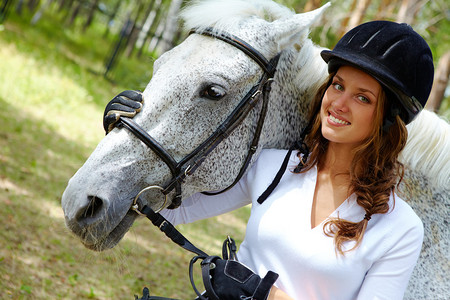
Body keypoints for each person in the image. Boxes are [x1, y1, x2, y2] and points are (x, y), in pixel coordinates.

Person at [103, 21, 434, 300]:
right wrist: (126, 136)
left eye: (362, 97)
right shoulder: (274, 166)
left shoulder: (399, 228)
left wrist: (268, 295)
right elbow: (171, 209)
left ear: (389, 121)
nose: (339, 103)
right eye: (337, 85)